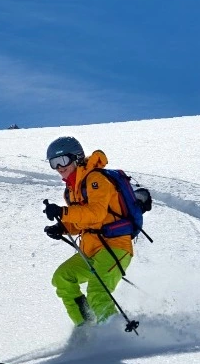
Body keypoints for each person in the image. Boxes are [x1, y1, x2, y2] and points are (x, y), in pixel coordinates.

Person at [42, 136, 133, 326]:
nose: (59, 167)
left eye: (62, 160)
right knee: (62, 278)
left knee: (97, 291)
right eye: (53, 163)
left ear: (76, 158)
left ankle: (114, 337)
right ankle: (86, 327)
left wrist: (63, 212)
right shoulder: (71, 190)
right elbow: (82, 223)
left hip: (115, 246)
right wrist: (62, 227)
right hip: (91, 250)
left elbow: (96, 214)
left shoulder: (96, 179)